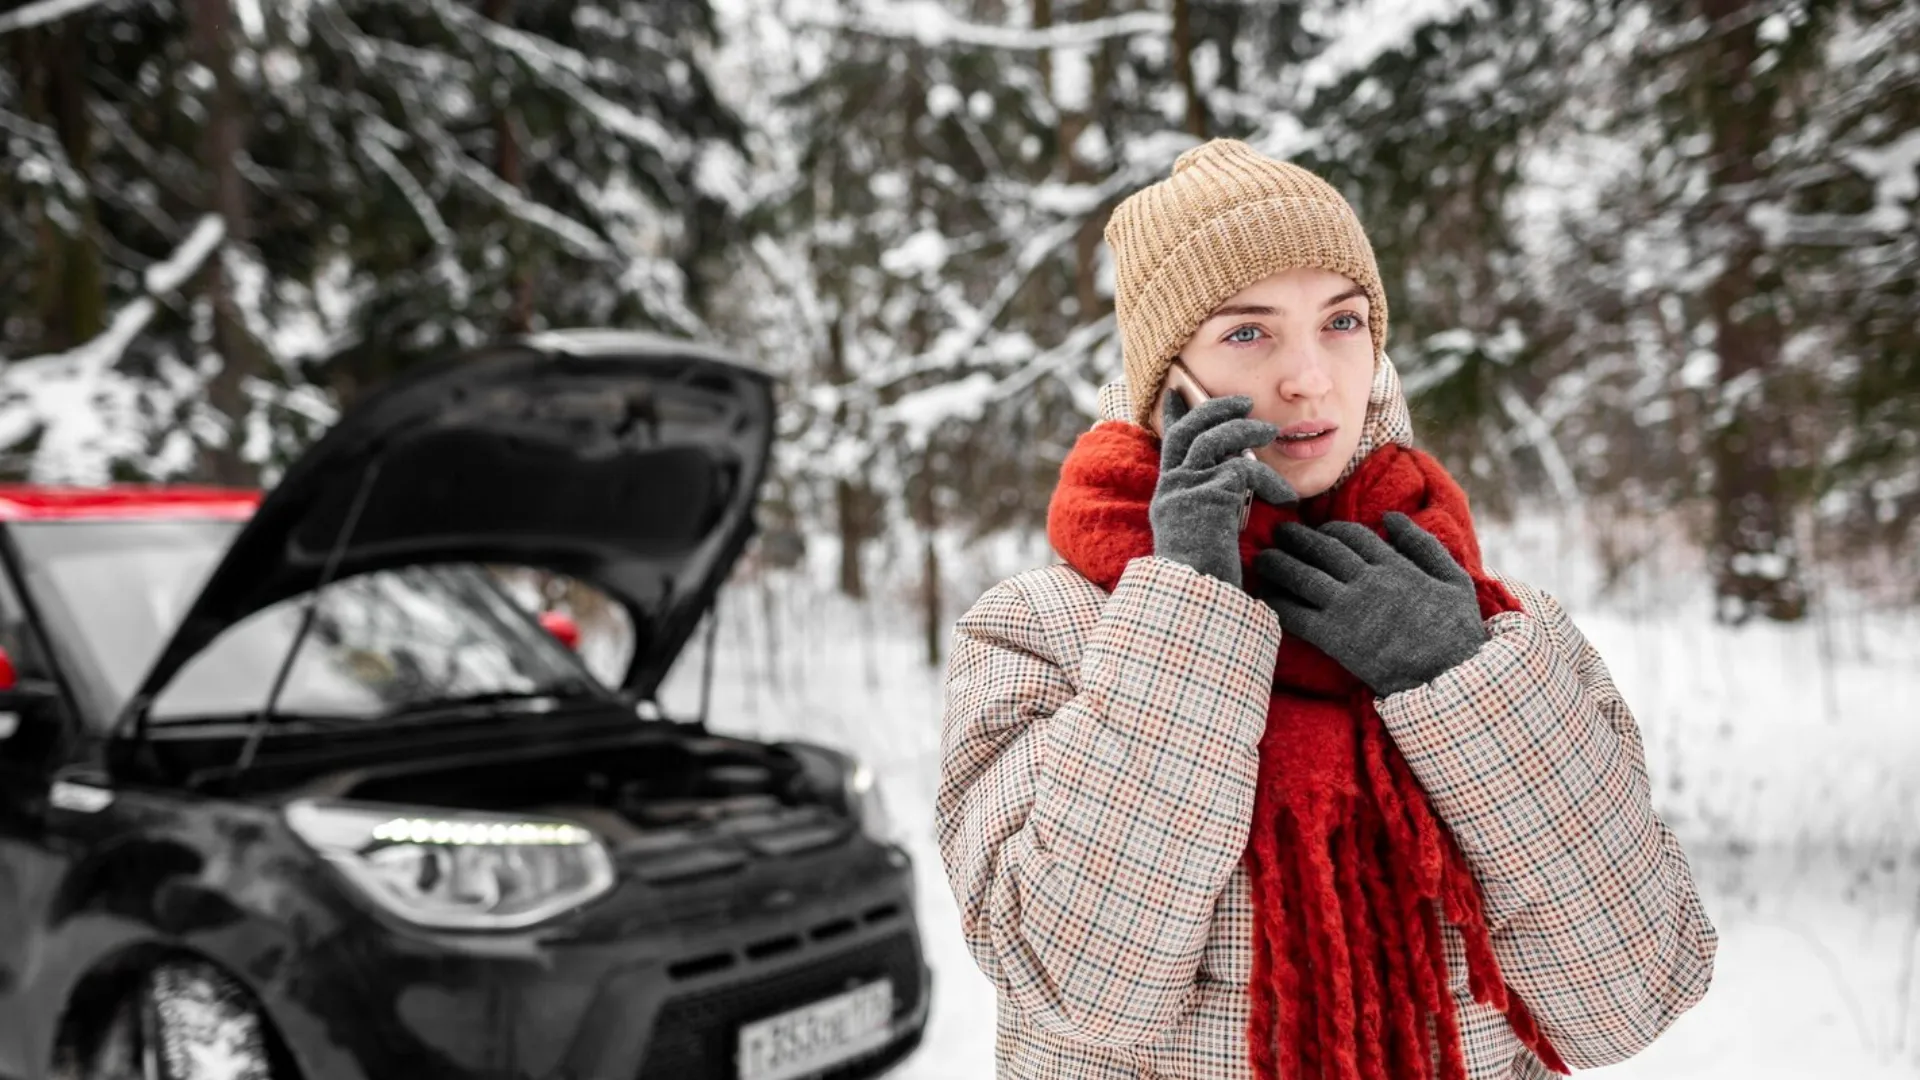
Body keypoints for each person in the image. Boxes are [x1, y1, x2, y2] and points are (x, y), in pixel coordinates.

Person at [936, 139, 1716, 1080]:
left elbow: (1634, 994)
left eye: (1341, 322)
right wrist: (1188, 610)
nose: (1308, 377)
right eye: (1247, 332)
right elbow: (1075, 985)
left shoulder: (1497, 628)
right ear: (1165, 380)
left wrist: (1456, 679)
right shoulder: (1039, 631)